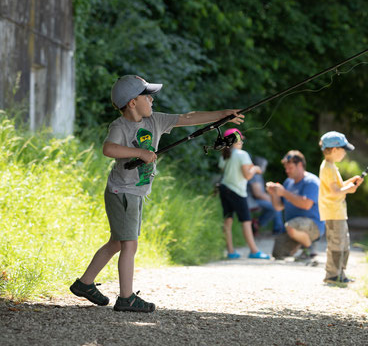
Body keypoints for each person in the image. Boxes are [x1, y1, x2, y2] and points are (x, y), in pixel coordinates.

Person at [70, 74, 244, 313]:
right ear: (132, 102)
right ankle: (126, 298)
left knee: (118, 242)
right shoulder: (120, 126)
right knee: (129, 244)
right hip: (122, 191)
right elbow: (108, 148)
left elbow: (189, 118)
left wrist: (223, 114)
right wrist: (140, 153)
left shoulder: (156, 121)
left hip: (134, 192)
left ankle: (84, 284)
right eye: (147, 96)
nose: (152, 100)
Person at [318, 131, 363, 284]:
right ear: (335, 149)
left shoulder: (331, 166)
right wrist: (349, 189)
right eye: (344, 150)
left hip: (338, 212)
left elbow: (339, 186)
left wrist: (351, 181)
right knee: (336, 244)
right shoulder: (328, 168)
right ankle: (332, 275)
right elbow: (335, 191)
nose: (345, 153)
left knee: (344, 243)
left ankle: (340, 274)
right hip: (333, 212)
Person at [218, 128, 270, 260]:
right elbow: (247, 176)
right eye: (240, 139)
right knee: (246, 221)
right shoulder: (242, 155)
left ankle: (230, 251)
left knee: (228, 221)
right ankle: (254, 251)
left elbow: (224, 169)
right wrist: (255, 169)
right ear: (235, 141)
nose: (242, 141)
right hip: (237, 192)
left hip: (224, 189)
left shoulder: (225, 155)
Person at [266, 150, 324, 260]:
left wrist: (284, 193)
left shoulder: (311, 181)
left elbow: (306, 204)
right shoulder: (288, 182)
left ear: (300, 165)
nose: (287, 171)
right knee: (278, 253)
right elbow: (278, 207)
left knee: (291, 226)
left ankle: (310, 249)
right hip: (293, 227)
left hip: (314, 225)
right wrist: (274, 194)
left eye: (290, 168)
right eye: (286, 168)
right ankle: (302, 243)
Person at [247, 156, 285, 235]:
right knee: (275, 207)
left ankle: (258, 224)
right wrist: (272, 199)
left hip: (254, 200)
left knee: (275, 206)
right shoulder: (255, 175)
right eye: (264, 166)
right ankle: (278, 228)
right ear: (260, 166)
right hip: (251, 201)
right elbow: (258, 194)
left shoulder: (257, 175)